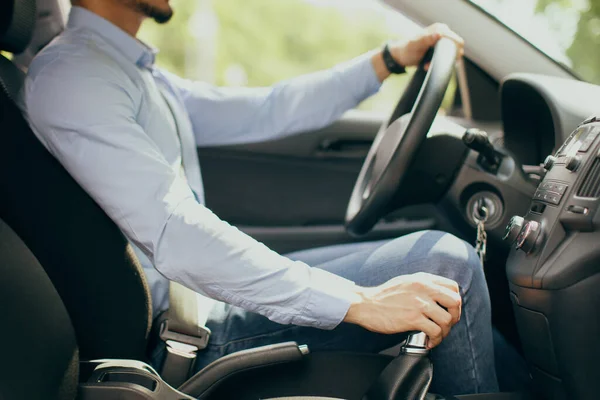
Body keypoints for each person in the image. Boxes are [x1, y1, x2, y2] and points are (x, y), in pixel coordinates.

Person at [22, 0, 497, 395]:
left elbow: (266, 110)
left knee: (445, 273)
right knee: (446, 266)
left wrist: (388, 60)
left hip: (197, 303)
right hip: (185, 335)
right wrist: (357, 302)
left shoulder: (123, 69)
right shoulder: (74, 77)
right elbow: (174, 229)